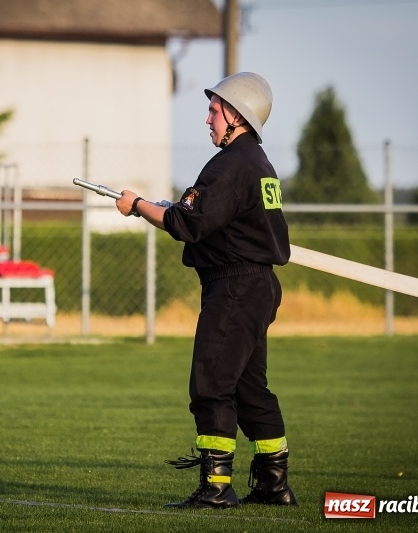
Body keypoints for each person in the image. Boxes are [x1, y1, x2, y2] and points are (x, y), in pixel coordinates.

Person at [115, 72, 296, 509]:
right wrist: (168, 209)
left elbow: (187, 224)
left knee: (212, 384)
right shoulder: (259, 164)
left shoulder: (230, 165)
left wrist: (137, 206)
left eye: (215, 110)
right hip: (256, 286)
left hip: (234, 288)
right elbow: (212, 222)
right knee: (251, 391)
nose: (208, 119)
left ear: (237, 115)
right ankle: (274, 485)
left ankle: (216, 488)